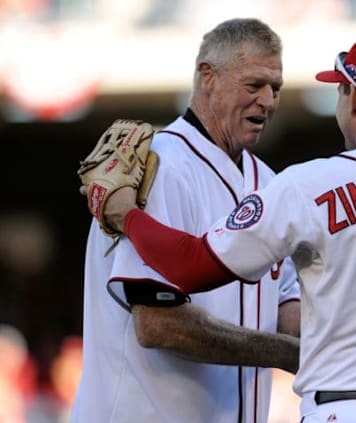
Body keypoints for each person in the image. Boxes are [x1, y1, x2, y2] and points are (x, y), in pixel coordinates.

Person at [91, 35, 356, 422]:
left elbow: (190, 267)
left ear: (353, 97)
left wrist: (126, 215)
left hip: (346, 407)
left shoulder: (310, 183)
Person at [71, 18, 301, 423]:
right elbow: (158, 324)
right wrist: (287, 353)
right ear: (207, 77)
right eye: (253, 85)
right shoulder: (161, 166)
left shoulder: (270, 183)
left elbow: (288, 306)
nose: (268, 100)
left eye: (275, 88)